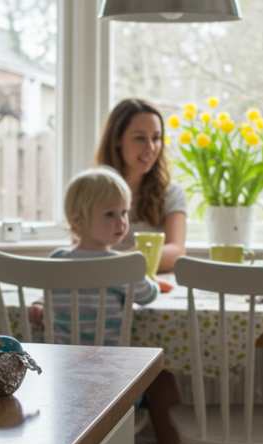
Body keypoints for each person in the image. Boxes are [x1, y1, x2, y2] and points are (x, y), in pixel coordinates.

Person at [31, 167, 159, 344]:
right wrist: (150, 280)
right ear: (78, 221)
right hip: (109, 361)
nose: (121, 221)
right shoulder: (121, 265)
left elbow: (52, 295)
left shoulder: (57, 259)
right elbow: (148, 295)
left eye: (124, 212)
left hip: (61, 360)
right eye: (110, 214)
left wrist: (40, 302)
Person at [96, 99, 187, 273]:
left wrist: (114, 263)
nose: (151, 147)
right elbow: (81, 250)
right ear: (117, 140)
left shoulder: (171, 193)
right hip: (102, 288)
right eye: (140, 138)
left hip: (152, 287)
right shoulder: (92, 190)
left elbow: (176, 251)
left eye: (156, 138)